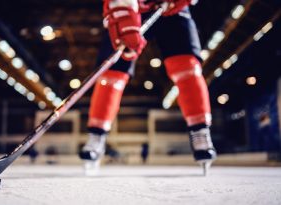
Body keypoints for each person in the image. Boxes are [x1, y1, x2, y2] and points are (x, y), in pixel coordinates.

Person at [78, 0, 217, 171]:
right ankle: (96, 136)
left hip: (173, 8)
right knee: (112, 75)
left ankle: (200, 132)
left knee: (187, 66)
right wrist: (123, 14)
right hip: (131, 7)